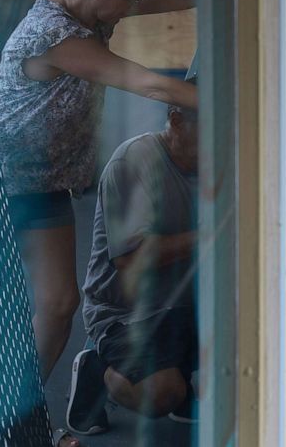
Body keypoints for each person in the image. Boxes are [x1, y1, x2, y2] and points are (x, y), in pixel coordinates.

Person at [0, 0, 197, 396]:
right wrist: (240, 102)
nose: (136, 3)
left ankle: (21, 418)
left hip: (43, 179)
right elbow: (150, 84)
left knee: (60, 304)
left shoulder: (94, 3)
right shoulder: (53, 33)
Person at [66, 78, 199, 435]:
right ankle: (98, 368)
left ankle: (185, 378)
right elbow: (131, 259)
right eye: (206, 125)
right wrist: (209, 237)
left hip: (186, 305)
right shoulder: (134, 161)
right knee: (161, 394)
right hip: (126, 312)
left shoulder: (221, 165)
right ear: (175, 118)